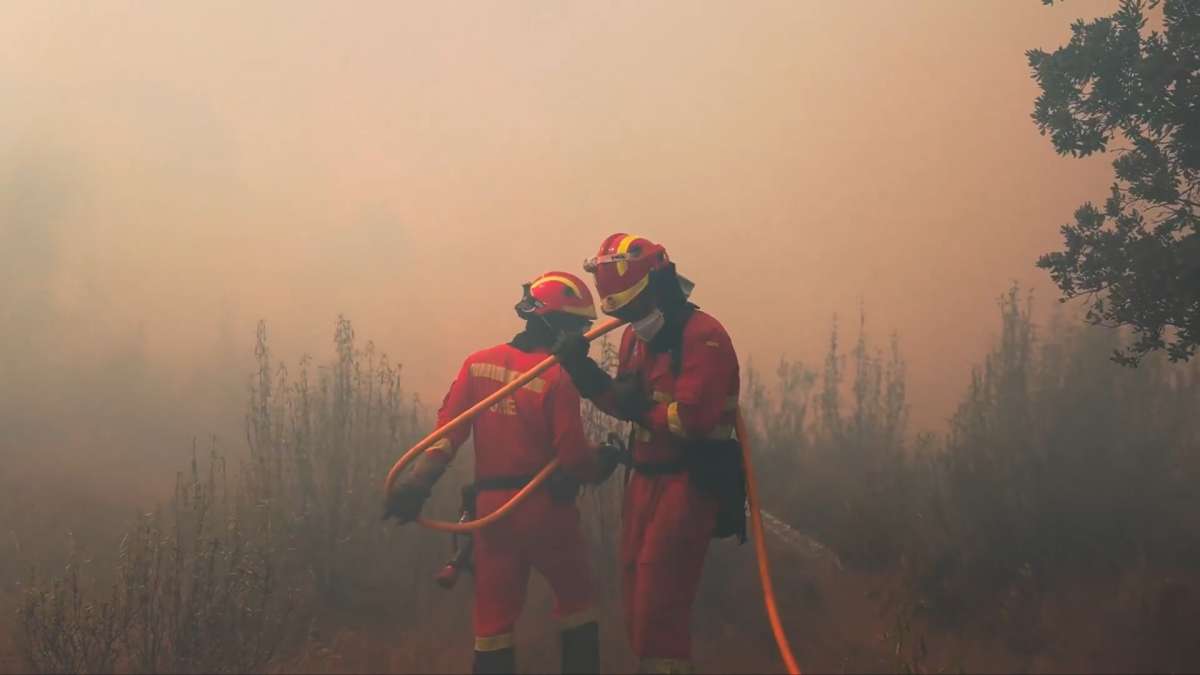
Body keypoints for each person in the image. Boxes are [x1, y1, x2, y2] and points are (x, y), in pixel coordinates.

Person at [384, 271, 624, 675]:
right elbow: (573, 460)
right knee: (578, 602)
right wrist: (605, 460)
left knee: (493, 625)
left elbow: (446, 436)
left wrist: (416, 484)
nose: (583, 337)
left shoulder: (477, 365)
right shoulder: (557, 378)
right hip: (548, 512)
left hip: (492, 516)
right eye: (579, 327)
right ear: (559, 325)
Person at [553, 234, 744, 674]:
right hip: (643, 481)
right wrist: (583, 371)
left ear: (657, 288)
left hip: (687, 483)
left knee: (660, 600)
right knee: (635, 590)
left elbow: (690, 421)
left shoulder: (704, 337)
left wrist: (639, 406)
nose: (627, 322)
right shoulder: (635, 340)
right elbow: (625, 404)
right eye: (622, 314)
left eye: (633, 309)